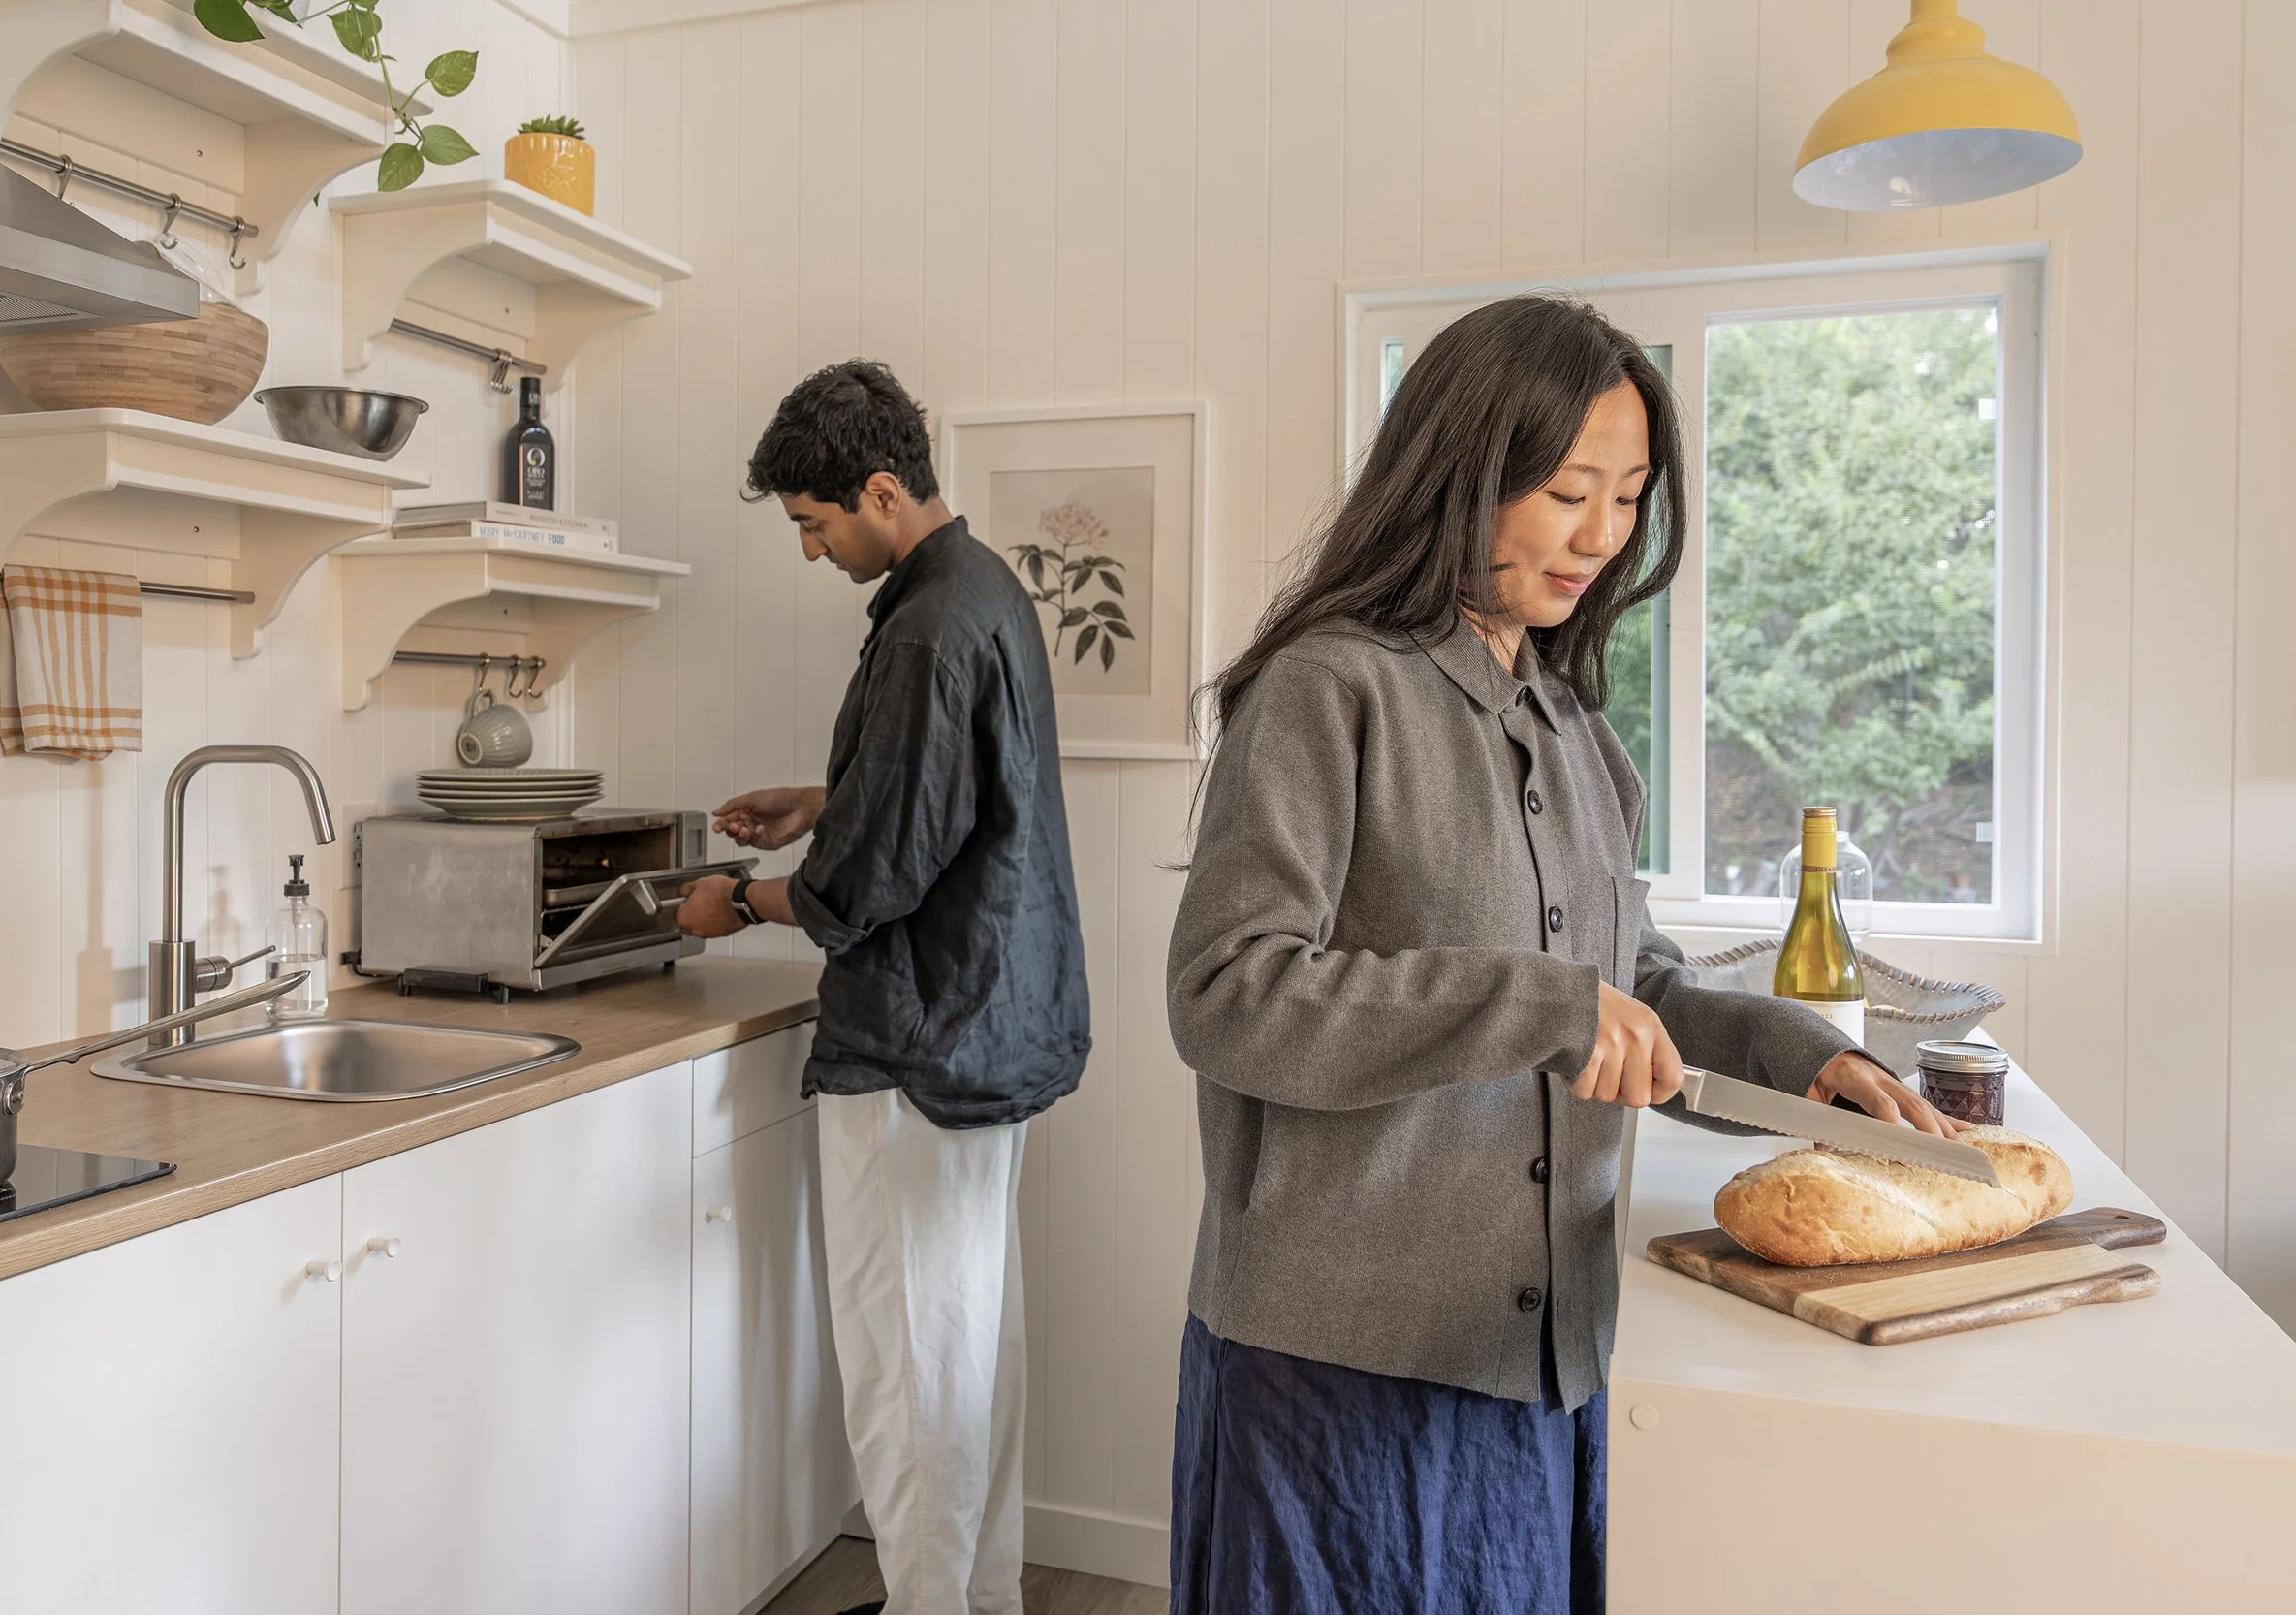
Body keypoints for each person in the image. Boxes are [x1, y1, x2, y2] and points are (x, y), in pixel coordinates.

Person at [1163, 296, 1959, 1614]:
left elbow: (1625, 973)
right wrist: (1529, 1005)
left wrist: (1798, 1052)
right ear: (1459, 470)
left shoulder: (1574, 718)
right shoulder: (1329, 688)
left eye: (1630, 494)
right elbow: (1231, 991)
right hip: (1339, 1376)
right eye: (1568, 489)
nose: (1604, 534)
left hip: (1539, 1363)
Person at [672, 359, 1090, 1615]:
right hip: (992, 1035)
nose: (811, 552)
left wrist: (736, 901)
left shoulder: (921, 630)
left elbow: (867, 886)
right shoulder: (984, 592)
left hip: (918, 1049)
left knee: (910, 1368)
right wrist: (825, 797)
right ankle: (980, 1598)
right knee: (973, 1356)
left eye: (814, 525)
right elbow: (950, 803)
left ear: (883, 488)